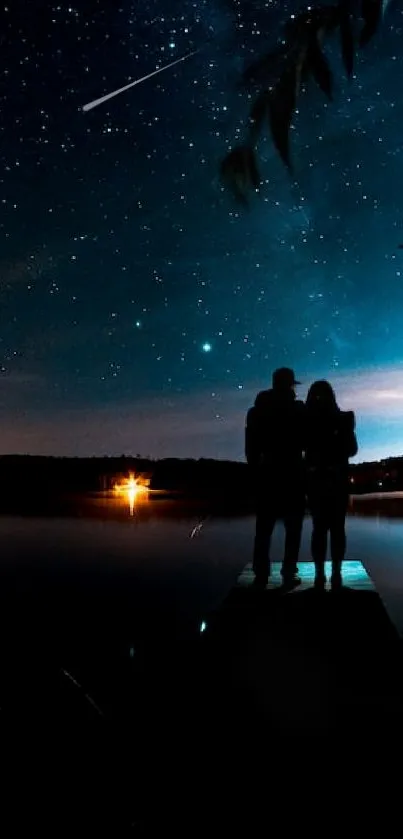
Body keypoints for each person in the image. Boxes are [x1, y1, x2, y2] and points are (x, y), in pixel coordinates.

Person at [245, 367, 306, 589]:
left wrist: (255, 472)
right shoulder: (298, 409)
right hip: (293, 473)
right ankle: (288, 572)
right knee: (293, 527)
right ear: (289, 385)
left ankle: (261, 572)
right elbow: (307, 442)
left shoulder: (256, 411)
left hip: (267, 474)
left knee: (264, 527)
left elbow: (250, 447)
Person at [305, 380, 358, 590]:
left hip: (321, 481)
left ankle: (325, 576)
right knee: (334, 528)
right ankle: (333, 575)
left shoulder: (308, 422)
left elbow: (351, 449)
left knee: (323, 528)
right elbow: (352, 449)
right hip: (332, 480)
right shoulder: (343, 418)